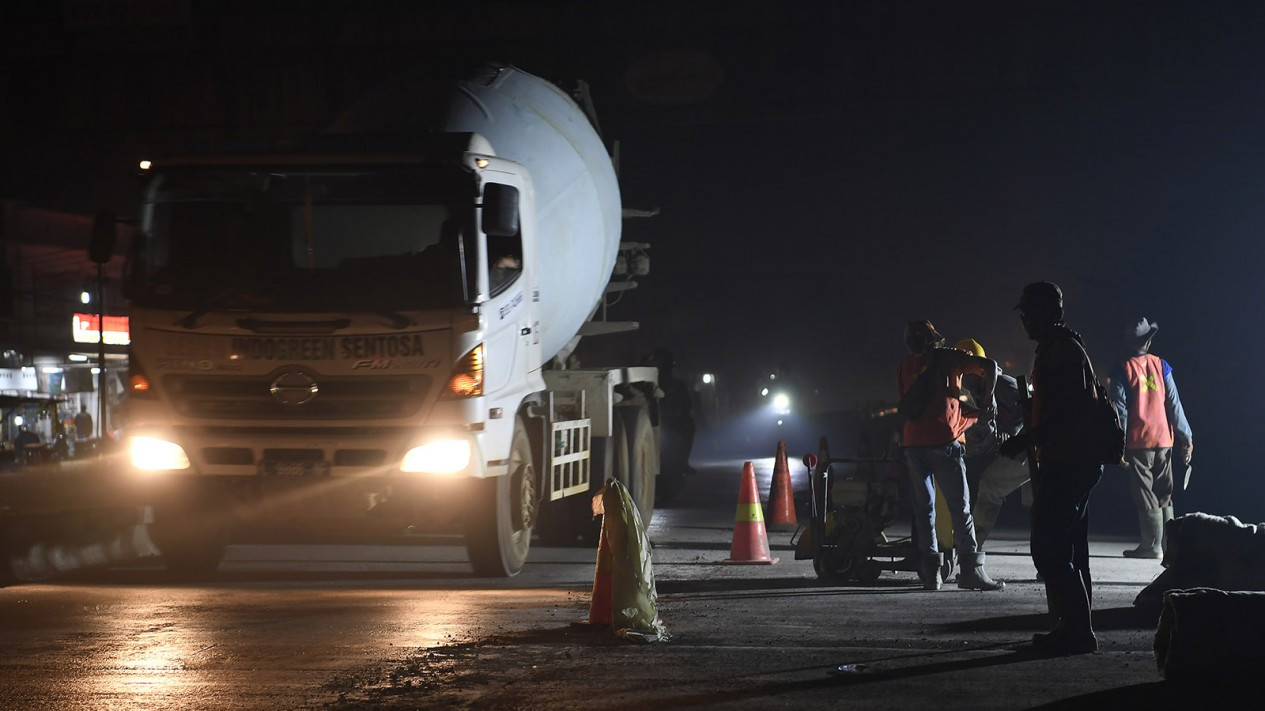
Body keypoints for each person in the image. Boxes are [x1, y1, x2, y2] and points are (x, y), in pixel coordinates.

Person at [999, 281, 1103, 655]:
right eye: (1024, 312)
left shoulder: (1062, 352)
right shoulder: (1057, 348)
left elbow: (1071, 413)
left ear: (1053, 313)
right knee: (1069, 547)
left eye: (1032, 311)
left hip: (1069, 461)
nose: (1026, 318)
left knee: (1048, 547)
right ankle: (1071, 626)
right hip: (1067, 459)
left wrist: (1025, 440)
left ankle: (1077, 631)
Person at [898, 320, 1004, 591]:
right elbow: (990, 366)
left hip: (912, 444)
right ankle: (971, 571)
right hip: (943, 443)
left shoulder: (906, 365)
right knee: (960, 508)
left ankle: (932, 575)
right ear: (934, 339)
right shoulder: (948, 358)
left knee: (925, 511)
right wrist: (989, 399)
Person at [1107, 318, 1193, 559]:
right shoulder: (1161, 365)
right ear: (1149, 341)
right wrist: (1186, 437)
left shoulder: (1121, 369)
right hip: (1164, 438)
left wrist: (1118, 443)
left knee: (1145, 492)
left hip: (1138, 441)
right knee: (1165, 491)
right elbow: (1174, 404)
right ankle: (1170, 547)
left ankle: (1151, 545)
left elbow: (1119, 411)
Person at [956, 338, 1031, 548]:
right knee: (1040, 506)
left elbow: (1029, 409)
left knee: (990, 486)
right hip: (1029, 448)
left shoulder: (1004, 385)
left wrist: (1011, 432)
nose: (965, 380)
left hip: (1031, 448)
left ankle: (971, 551)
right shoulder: (977, 392)